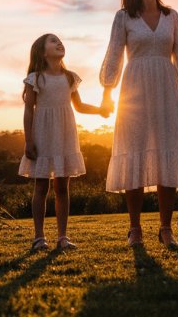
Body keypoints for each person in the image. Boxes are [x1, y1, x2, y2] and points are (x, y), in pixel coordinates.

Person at [101, 0, 178, 247]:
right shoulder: (124, 17)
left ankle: (166, 228)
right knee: (135, 152)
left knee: (168, 151)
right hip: (134, 88)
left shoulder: (172, 16)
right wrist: (107, 92)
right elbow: (114, 54)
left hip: (167, 88)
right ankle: (135, 229)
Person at [19, 33, 108, 251]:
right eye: (53, 41)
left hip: (65, 134)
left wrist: (100, 111)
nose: (59, 43)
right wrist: (28, 140)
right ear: (42, 51)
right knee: (41, 186)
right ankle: (39, 237)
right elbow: (28, 111)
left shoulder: (69, 77)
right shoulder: (35, 78)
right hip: (42, 134)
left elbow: (79, 106)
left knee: (62, 186)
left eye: (59, 40)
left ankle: (62, 237)